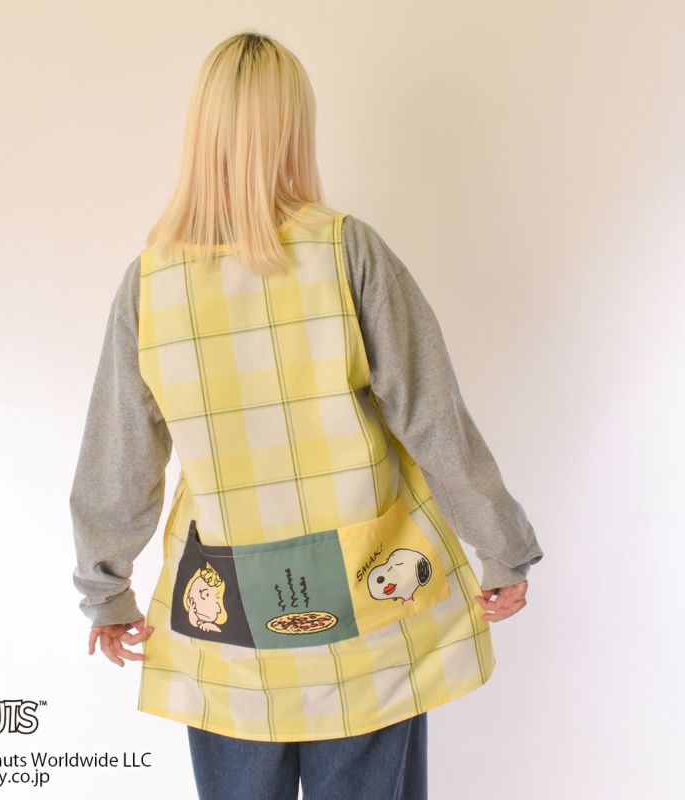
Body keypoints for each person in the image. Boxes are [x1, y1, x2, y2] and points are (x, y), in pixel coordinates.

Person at [69, 31, 543, 800]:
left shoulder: (150, 285)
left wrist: (106, 589)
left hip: (228, 628)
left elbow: (119, 459)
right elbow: (433, 418)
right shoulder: (347, 251)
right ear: (293, 128)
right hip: (366, 614)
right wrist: (504, 548)